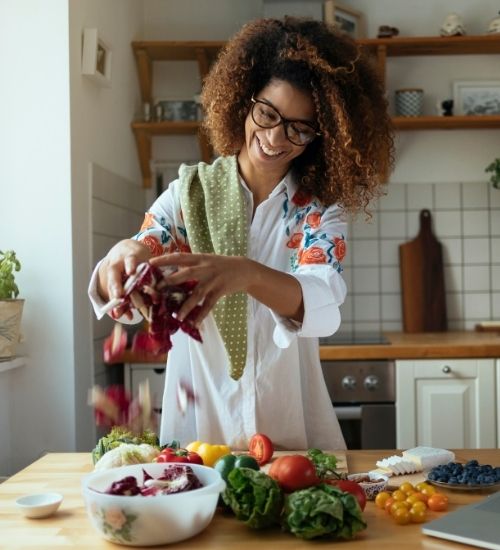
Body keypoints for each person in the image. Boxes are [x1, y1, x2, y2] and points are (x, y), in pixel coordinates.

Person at [89, 16, 393, 451]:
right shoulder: (188, 195)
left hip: (291, 437)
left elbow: (323, 307)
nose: (273, 137)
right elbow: (132, 284)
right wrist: (123, 255)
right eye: (267, 113)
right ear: (242, 101)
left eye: (298, 128)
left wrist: (245, 274)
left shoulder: (317, 213)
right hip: (199, 434)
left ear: (320, 138)